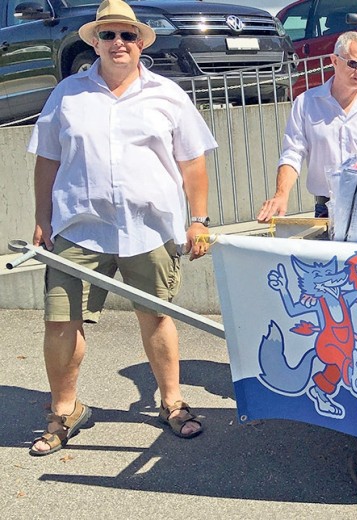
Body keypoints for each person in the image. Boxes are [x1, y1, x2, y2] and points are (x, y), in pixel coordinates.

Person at [27, 0, 216, 455]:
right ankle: (65, 409)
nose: (118, 43)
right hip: (78, 228)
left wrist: (198, 220)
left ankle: (172, 402)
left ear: (139, 43)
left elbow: (192, 163)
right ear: (94, 41)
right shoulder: (67, 93)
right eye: (108, 35)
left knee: (156, 316)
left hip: (148, 228)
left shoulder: (167, 94)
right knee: (61, 322)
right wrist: (40, 217)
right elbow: (47, 159)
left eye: (127, 36)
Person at [256, 32, 357, 221]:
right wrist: (281, 195)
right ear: (334, 60)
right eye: (354, 64)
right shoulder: (305, 103)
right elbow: (292, 154)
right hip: (325, 208)